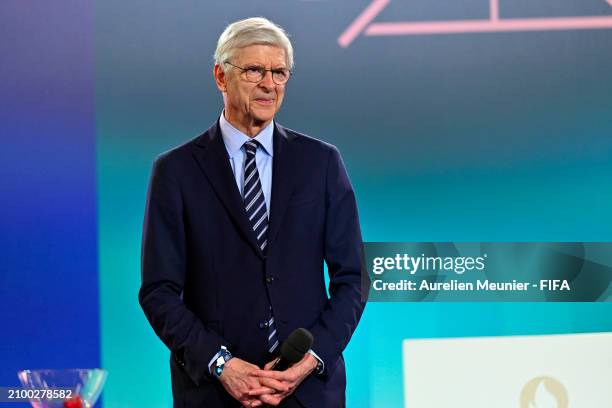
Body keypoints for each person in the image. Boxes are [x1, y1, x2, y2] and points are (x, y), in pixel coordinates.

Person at [139, 17, 367, 407]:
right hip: (215, 394)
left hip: (308, 394)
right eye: (254, 70)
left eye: (280, 72)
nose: (269, 84)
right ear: (220, 76)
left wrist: (311, 360)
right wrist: (220, 363)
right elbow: (159, 291)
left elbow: (352, 278)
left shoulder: (322, 163)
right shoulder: (175, 171)